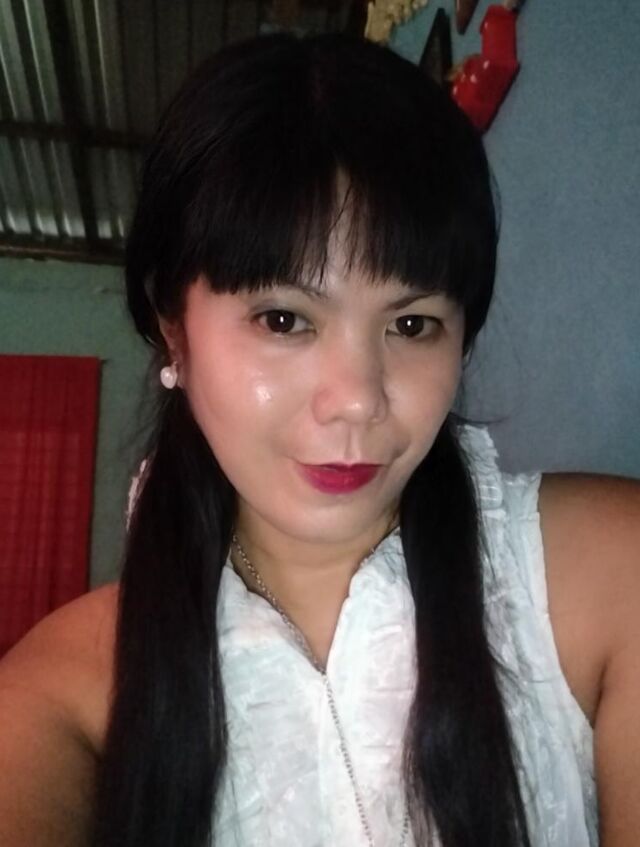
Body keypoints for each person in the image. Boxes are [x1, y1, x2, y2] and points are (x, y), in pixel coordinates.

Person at [0, 30, 638, 847]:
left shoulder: (610, 573)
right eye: (283, 319)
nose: (356, 401)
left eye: (412, 323)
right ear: (175, 332)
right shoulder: (63, 690)